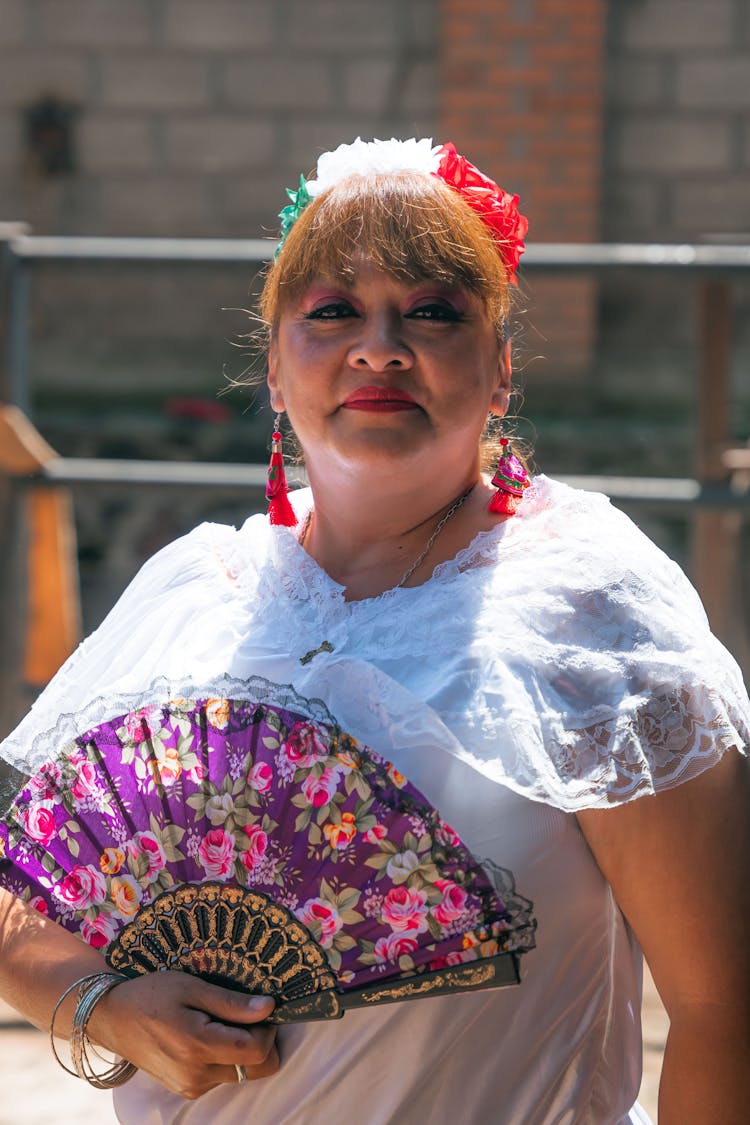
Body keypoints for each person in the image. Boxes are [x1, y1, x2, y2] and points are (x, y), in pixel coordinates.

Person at [0, 136, 748, 1125]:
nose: (382, 347)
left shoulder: (588, 610)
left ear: (502, 372)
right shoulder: (198, 594)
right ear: (274, 370)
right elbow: (24, 893)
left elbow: (720, 1008)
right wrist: (100, 1003)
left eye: (434, 312)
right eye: (333, 311)